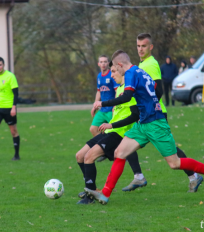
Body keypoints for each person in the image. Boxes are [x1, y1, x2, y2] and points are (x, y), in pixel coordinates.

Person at [85, 50, 204, 205]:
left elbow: (127, 97)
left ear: (120, 64)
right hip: (142, 124)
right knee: (119, 152)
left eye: (115, 68)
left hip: (155, 124)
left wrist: (102, 103)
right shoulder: (141, 72)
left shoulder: (130, 74)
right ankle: (105, 193)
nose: (115, 72)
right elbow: (156, 90)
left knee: (174, 163)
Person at [123, 33, 201, 193]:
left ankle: (193, 176)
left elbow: (158, 91)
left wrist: (146, 109)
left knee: (172, 156)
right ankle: (138, 176)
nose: (140, 49)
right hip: (147, 115)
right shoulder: (142, 64)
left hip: (154, 115)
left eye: (143, 46)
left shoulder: (150, 64)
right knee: (125, 145)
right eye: (138, 46)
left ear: (150, 47)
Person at [76, 62, 139, 204]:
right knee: (80, 156)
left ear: (122, 70)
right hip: (108, 131)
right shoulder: (119, 90)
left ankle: (90, 194)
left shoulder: (130, 92)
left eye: (114, 71)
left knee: (89, 157)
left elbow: (135, 116)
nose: (112, 75)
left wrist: (112, 124)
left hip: (118, 134)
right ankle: (91, 187)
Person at [90, 55, 119, 137]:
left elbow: (117, 91)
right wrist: (95, 105)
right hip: (102, 110)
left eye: (105, 62)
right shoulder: (99, 76)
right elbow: (98, 91)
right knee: (93, 129)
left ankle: (120, 148)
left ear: (108, 63)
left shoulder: (112, 75)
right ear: (98, 64)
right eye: (101, 62)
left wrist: (115, 105)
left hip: (111, 110)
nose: (103, 64)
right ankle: (103, 148)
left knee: (115, 132)